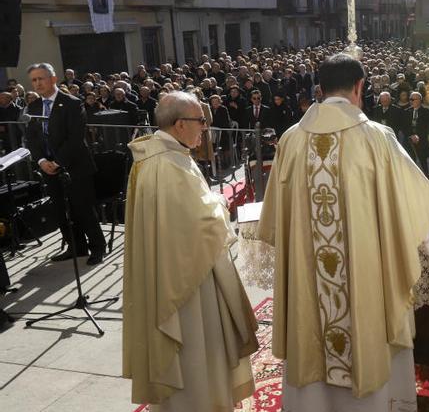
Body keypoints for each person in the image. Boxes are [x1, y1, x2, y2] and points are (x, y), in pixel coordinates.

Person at [257, 53, 429, 412]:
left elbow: (274, 218)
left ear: (320, 90)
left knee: (311, 320)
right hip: (364, 278)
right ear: (360, 87)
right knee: (370, 318)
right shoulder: (377, 138)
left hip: (310, 278)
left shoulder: (292, 140)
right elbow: (417, 199)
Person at [122, 92, 258, 411]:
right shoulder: (169, 165)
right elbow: (201, 223)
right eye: (200, 120)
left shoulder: (158, 157)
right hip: (186, 283)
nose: (205, 127)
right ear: (180, 124)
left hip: (169, 270)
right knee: (197, 346)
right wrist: (221, 204)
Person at [25, 63, 106, 266]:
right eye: (34, 80)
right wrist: (43, 161)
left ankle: (97, 247)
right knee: (60, 210)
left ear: (53, 79)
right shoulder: (33, 107)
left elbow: (75, 138)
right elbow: (32, 139)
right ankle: (76, 247)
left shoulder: (71, 103)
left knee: (83, 209)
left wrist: (57, 162)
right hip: (48, 169)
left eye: (41, 78)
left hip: (75, 166)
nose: (37, 83)